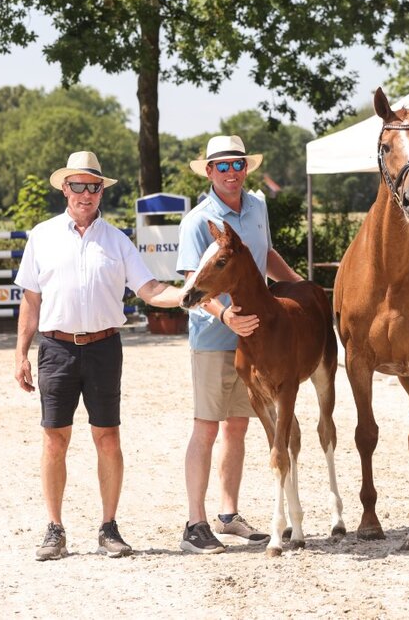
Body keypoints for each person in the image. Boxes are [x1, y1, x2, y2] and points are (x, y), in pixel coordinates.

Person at [14, 150, 185, 561]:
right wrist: (20, 352)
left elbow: (150, 291)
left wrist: (189, 296)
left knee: (108, 437)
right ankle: (54, 529)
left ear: (101, 192)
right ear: (64, 189)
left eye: (94, 186)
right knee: (55, 439)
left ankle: (109, 528)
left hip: (105, 347)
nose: (86, 193)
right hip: (55, 347)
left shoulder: (118, 241)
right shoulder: (42, 236)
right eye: (78, 185)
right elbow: (31, 301)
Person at [176, 135, 304, 554]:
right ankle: (195, 524)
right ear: (209, 172)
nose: (232, 173)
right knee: (206, 427)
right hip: (215, 337)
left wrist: (305, 291)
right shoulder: (198, 220)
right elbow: (192, 284)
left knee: (239, 426)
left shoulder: (258, 207)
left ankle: (228, 516)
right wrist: (226, 315)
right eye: (223, 166)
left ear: (246, 169)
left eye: (238, 165)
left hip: (263, 339)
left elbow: (265, 257)